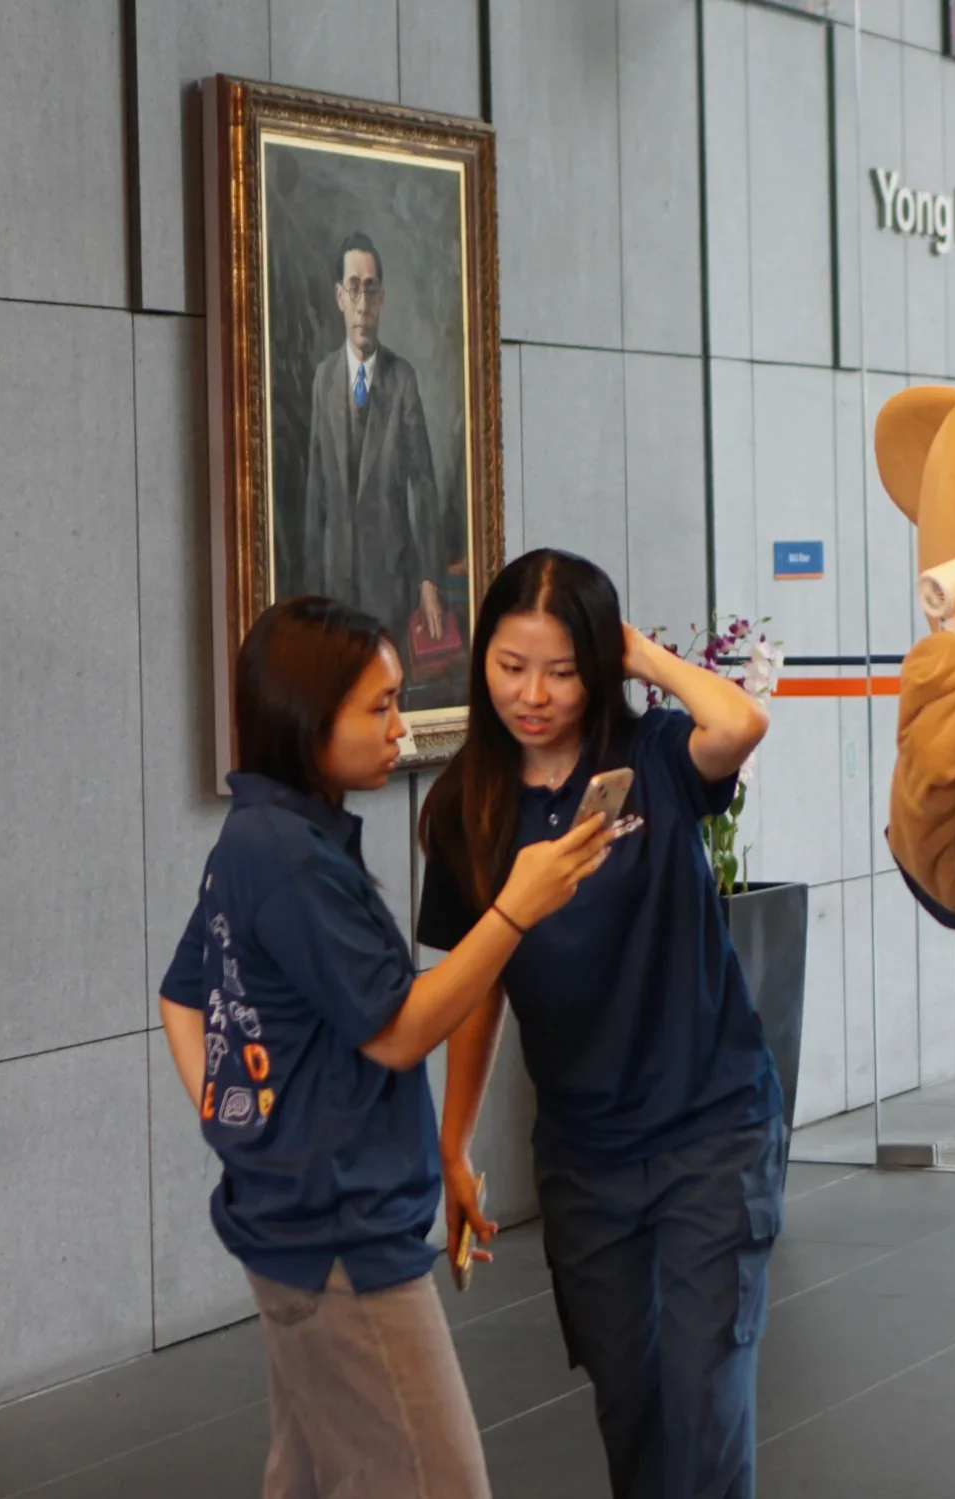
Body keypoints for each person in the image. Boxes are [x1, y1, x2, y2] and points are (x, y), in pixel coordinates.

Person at [158, 596, 616, 1498]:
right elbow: (401, 1029)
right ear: (307, 718)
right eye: (380, 706)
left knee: (308, 1475)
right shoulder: (288, 858)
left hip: (295, 1222)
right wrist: (516, 908)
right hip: (340, 1238)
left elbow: (183, 994)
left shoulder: (261, 838)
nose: (401, 728)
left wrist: (242, 1127)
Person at [419, 550, 779, 1499]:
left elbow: (742, 721)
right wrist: (454, 1143)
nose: (533, 695)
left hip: (713, 1128)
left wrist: (642, 656)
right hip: (587, 1157)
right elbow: (477, 987)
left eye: (564, 669)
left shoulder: (654, 756)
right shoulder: (464, 805)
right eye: (511, 666)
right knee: (633, 1408)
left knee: (706, 1403)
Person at [301, 232, 451, 673]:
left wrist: (428, 579)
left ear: (382, 299)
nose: (362, 303)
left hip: (390, 586)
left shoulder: (402, 380)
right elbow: (316, 492)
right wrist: (310, 594)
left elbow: (423, 485)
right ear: (339, 297)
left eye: (370, 289)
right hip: (334, 588)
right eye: (353, 288)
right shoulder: (323, 379)